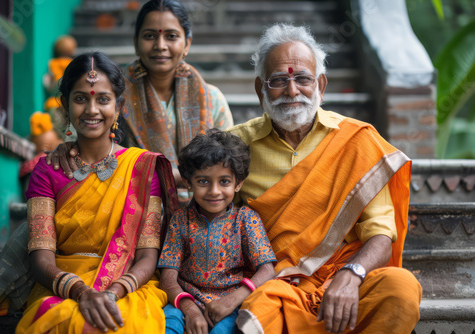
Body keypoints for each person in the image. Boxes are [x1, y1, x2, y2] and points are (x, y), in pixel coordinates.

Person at [228, 24, 422, 333]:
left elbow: (381, 234)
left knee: (400, 288)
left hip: (345, 277)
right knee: (255, 317)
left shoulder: (358, 141)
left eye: (302, 79)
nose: (292, 91)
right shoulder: (234, 148)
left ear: (321, 84)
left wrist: (352, 273)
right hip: (278, 283)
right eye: (278, 80)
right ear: (259, 89)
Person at [15, 51, 178, 333]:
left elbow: (147, 257)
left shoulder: (141, 168)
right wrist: (82, 292)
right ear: (65, 105)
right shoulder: (47, 171)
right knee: (68, 321)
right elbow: (41, 259)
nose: (91, 110)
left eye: (102, 99)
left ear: (118, 107)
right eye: (80, 98)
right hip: (63, 288)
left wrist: (113, 292)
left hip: (128, 287)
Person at [48, 0, 234, 195]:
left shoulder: (212, 99)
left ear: (187, 43)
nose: (160, 45)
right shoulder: (112, 97)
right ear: (136, 42)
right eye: (149, 36)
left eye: (171, 36)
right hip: (131, 205)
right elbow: (89, 152)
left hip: (204, 208)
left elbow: (227, 163)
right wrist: (68, 148)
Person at [157, 129, 276, 334]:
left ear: (238, 183)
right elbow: (168, 277)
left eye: (224, 181)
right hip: (184, 301)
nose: (214, 191)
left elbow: (267, 270)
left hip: (231, 303)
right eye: (203, 181)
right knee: (168, 326)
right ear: (188, 183)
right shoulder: (179, 220)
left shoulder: (245, 219)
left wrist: (232, 301)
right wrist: (190, 310)